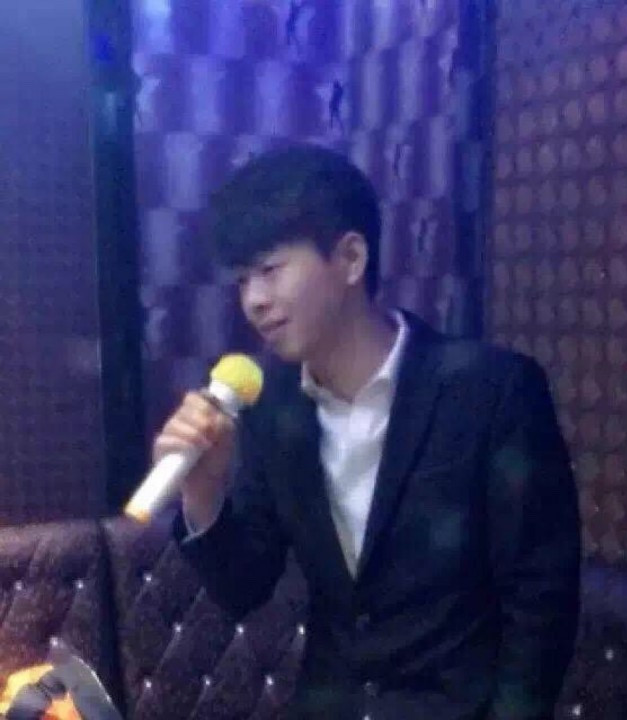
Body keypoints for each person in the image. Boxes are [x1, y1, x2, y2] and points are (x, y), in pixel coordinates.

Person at [156, 145, 581, 719]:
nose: (253, 300)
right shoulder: (273, 407)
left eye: (270, 270)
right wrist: (203, 492)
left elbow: (541, 599)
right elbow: (245, 586)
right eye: (243, 279)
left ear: (351, 258)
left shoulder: (490, 391)